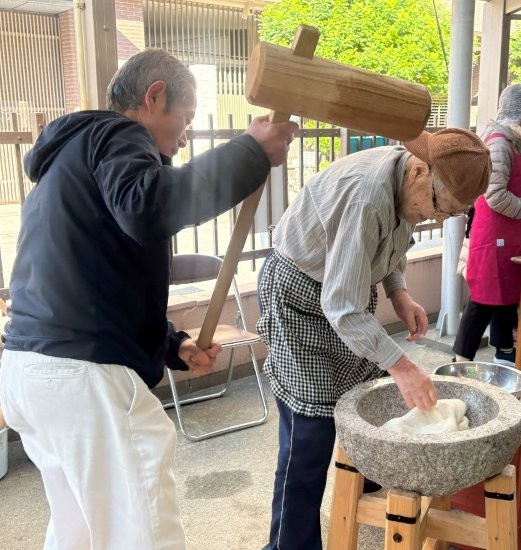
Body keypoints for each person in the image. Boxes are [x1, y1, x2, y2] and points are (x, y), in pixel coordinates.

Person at [0, 49, 298, 548]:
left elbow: (101, 277)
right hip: (81, 379)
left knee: (80, 530)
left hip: (32, 374)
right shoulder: (116, 135)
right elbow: (149, 209)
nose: (183, 139)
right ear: (153, 96)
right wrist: (249, 151)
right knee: (143, 529)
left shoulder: (69, 164)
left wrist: (170, 344)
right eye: (184, 120)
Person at [257, 127, 491, 550]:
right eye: (441, 206)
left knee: (362, 404)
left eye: (452, 214)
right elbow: (342, 306)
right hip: (298, 296)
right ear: (420, 170)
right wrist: (402, 365)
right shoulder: (366, 196)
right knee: (308, 436)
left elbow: (387, 246)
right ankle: (288, 545)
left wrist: (398, 292)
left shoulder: (405, 183)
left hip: (340, 295)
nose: (438, 218)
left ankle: (362, 494)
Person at [452, 84, 521, 371]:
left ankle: (504, 350)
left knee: (507, 295)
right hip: (493, 236)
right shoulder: (500, 143)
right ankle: (461, 360)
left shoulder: (510, 143)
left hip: (508, 236)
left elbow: (506, 185)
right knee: (485, 299)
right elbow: (494, 195)